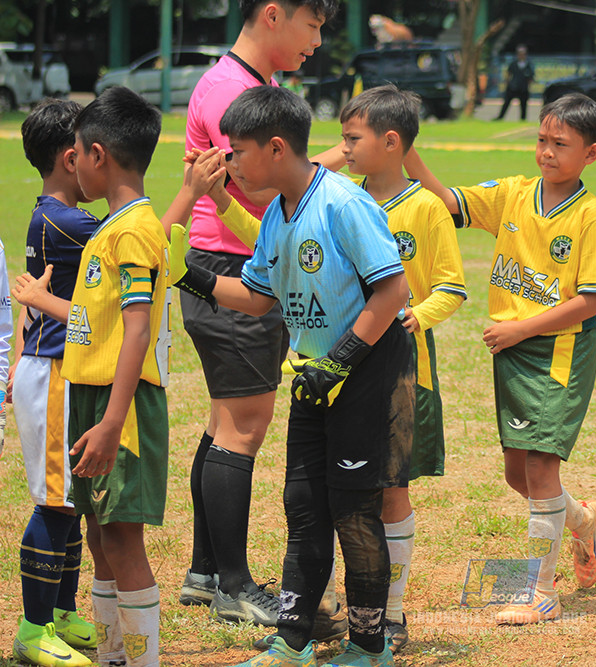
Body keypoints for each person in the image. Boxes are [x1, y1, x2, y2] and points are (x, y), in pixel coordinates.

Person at [171, 85, 411, 667]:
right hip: (315, 379)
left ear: (276, 148)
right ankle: (294, 638)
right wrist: (186, 274)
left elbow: (393, 290)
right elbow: (257, 297)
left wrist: (340, 361)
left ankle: (369, 644)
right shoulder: (277, 214)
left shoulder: (343, 204)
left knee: (354, 512)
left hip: (363, 373)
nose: (229, 162)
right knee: (303, 507)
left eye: (238, 151)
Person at [405, 92, 596, 625]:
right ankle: (583, 520)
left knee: (541, 467)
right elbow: (446, 201)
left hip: (558, 351)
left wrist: (520, 328)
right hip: (512, 350)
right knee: (519, 475)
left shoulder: (590, 215)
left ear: (590, 154)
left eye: (560, 144)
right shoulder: (514, 194)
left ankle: (541, 592)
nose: (547, 151)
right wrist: (404, 147)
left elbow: (591, 300)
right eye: (542, 140)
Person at [180, 0, 339, 631]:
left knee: (225, 421)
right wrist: (332, 165)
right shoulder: (231, 90)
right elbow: (254, 189)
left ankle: (205, 572)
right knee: (242, 428)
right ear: (274, 14)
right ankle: (235, 586)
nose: (316, 42)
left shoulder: (245, 82)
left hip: (228, 264)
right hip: (233, 267)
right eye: (313, 24)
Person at [12, 86, 171, 667]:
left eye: (76, 152)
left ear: (96, 155)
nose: (72, 162)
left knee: (122, 538)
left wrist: (110, 422)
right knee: (102, 535)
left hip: (116, 408)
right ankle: (112, 655)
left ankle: (139, 659)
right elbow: (89, 319)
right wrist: (37, 309)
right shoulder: (108, 230)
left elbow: (137, 331)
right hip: (88, 396)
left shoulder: (131, 231)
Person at [311, 84, 466, 653]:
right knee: (336, 492)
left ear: (392, 142)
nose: (345, 149)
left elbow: (451, 286)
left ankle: (392, 614)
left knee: (391, 492)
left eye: (353, 139)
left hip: (401, 373)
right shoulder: (338, 200)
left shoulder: (426, 208)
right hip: (339, 367)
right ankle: (328, 603)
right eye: (343, 138)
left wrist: (416, 317)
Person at [11, 99, 101, 667]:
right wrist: (188, 196)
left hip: (59, 369)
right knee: (55, 503)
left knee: (70, 501)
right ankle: (31, 628)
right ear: (73, 158)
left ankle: (62, 614)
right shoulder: (70, 223)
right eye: (95, 149)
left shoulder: (52, 216)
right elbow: (135, 241)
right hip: (53, 372)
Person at [495, 45, 534, 122]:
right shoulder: (513, 64)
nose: (521, 56)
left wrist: (528, 85)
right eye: (519, 54)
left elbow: (531, 76)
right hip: (513, 86)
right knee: (506, 103)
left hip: (523, 88)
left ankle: (523, 119)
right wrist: (507, 83)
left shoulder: (529, 65)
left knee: (523, 104)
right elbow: (508, 74)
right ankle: (500, 117)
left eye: (523, 54)